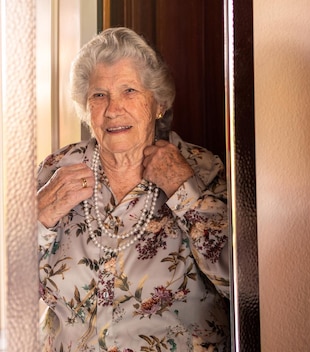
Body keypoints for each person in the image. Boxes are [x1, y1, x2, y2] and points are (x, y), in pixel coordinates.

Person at [37, 27, 230, 352]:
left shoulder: (200, 168)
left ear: (158, 103)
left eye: (129, 91)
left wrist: (184, 190)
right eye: (99, 95)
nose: (113, 109)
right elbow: (11, 290)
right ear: (86, 108)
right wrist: (37, 217)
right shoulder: (58, 168)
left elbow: (240, 284)